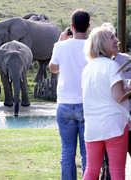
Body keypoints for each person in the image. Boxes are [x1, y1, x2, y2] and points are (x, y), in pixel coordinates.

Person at [82, 26, 130, 180]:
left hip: (92, 127)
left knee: (91, 171)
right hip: (114, 126)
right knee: (117, 172)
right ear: (102, 43)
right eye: (112, 38)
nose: (117, 40)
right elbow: (119, 97)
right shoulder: (112, 66)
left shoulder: (87, 68)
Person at [49, 9, 90, 180]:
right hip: (87, 104)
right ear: (88, 27)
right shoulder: (92, 47)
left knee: (67, 151)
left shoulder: (60, 46)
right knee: (87, 152)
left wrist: (60, 41)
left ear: (71, 27)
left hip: (65, 104)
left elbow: (53, 68)